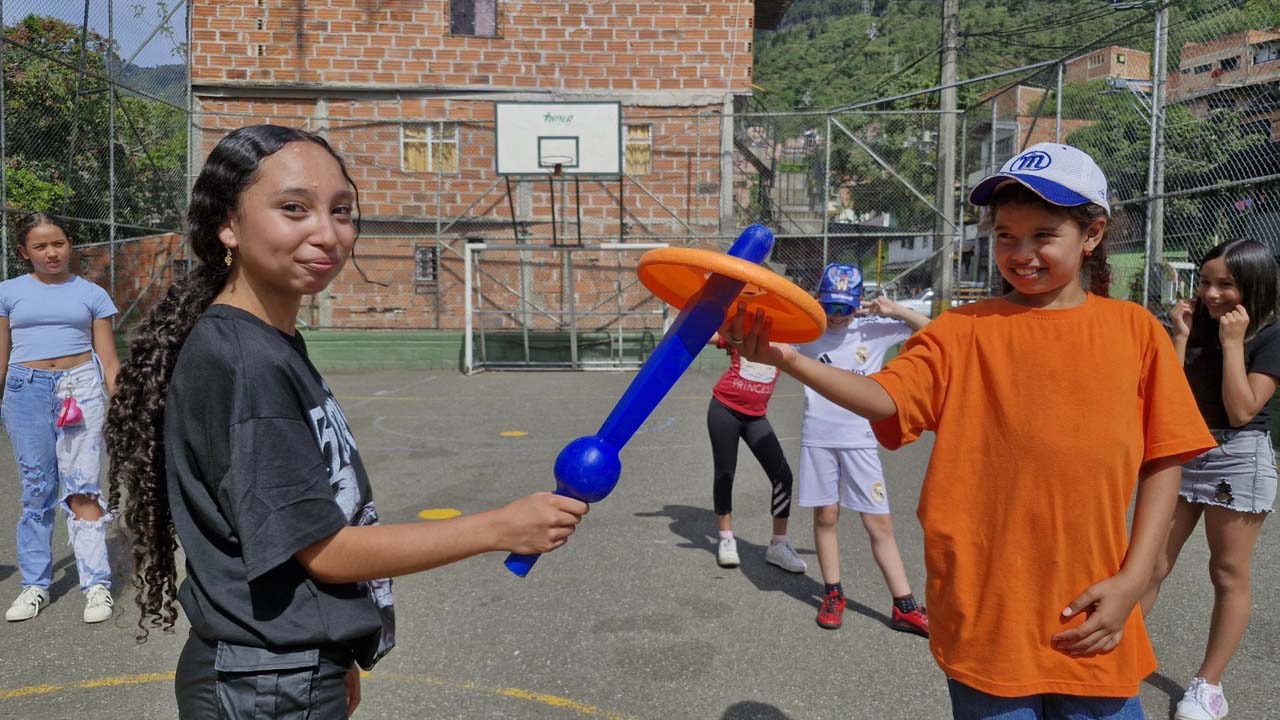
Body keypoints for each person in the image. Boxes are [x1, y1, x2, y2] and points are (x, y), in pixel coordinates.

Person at [105, 125, 587, 719]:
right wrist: (500, 527)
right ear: (227, 225)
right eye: (293, 209)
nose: (327, 234)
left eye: (341, 212)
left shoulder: (268, 341)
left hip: (287, 668)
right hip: (266, 683)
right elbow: (323, 551)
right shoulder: (244, 358)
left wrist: (333, 646)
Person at [728, 143, 1216, 718]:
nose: (1021, 252)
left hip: (1091, 612)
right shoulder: (959, 331)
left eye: (1042, 234)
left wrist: (1135, 580)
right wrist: (794, 360)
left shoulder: (1134, 331)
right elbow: (886, 397)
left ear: (1092, 234)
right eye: (1005, 235)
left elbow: (1165, 458)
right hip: (986, 610)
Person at [1141, 239, 1279, 720]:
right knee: (1150, 562)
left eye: (1226, 284)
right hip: (1185, 449)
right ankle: (1113, 657)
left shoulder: (1269, 334)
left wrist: (1233, 343)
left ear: (1254, 285)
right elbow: (1171, 399)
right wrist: (1180, 338)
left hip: (1237, 459)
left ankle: (1208, 686)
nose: (1211, 293)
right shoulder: (1194, 321)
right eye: (1205, 282)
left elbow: (1242, 410)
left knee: (1226, 572)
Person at [795, 263, 930, 635]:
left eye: (845, 308)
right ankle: (833, 593)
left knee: (879, 523)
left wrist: (896, 310)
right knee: (826, 517)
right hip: (818, 438)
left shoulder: (872, 329)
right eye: (830, 307)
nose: (837, 317)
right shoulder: (807, 330)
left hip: (860, 441)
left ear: (858, 304)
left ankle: (904, 605)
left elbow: (936, 332)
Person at [1, 212, 119, 624]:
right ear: (24, 252)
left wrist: (121, 403)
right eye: (40, 246)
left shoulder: (92, 293)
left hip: (80, 387)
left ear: (70, 244)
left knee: (83, 486)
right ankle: (35, 585)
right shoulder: (7, 292)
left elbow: (108, 358)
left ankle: (97, 585)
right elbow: (1, 352)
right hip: (25, 389)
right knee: (37, 489)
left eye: (58, 243)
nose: (52, 252)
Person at [704, 331, 805, 572]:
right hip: (724, 410)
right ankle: (726, 537)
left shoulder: (789, 341)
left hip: (756, 418)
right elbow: (709, 335)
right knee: (725, 473)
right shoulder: (744, 333)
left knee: (783, 476)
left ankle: (779, 544)